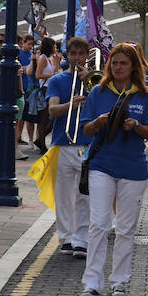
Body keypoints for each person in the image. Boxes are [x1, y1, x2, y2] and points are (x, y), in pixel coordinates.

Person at [78, 43, 148, 296]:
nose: (118, 67)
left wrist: (136, 125)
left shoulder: (145, 95)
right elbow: (85, 130)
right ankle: (92, 283)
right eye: (114, 63)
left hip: (133, 168)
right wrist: (99, 122)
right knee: (99, 224)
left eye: (123, 63)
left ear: (133, 66)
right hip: (101, 164)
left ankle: (120, 281)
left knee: (125, 228)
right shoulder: (98, 92)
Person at [45, 36, 94, 257]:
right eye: (72, 54)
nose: (76, 58)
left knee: (85, 195)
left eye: (80, 54)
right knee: (63, 196)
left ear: (87, 56)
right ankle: (65, 238)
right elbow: (52, 111)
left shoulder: (96, 82)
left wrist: (91, 86)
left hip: (88, 145)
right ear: (67, 56)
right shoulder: (57, 80)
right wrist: (70, 105)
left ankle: (81, 239)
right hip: (63, 143)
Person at [27, 36, 58, 153]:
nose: (55, 48)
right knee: (44, 118)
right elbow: (38, 75)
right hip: (44, 89)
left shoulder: (49, 58)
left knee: (51, 118)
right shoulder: (43, 58)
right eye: (54, 45)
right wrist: (53, 74)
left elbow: (54, 70)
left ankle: (40, 140)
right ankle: (41, 143)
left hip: (50, 88)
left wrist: (56, 62)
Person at [16, 34, 35, 145]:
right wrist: (26, 68)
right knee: (20, 116)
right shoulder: (19, 54)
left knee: (25, 115)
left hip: (30, 86)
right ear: (23, 42)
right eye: (29, 44)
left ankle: (20, 136)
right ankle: (17, 136)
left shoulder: (32, 55)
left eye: (32, 44)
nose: (31, 46)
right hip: (21, 86)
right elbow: (20, 67)